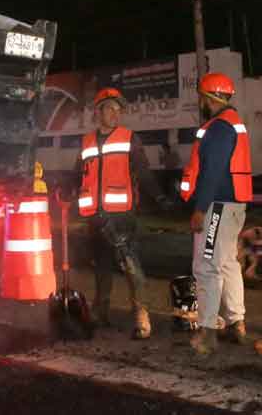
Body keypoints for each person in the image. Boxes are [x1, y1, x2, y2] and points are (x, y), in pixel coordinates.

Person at [71, 88, 171, 339]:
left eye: (119, 110)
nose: (115, 114)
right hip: (95, 215)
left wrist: (159, 196)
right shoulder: (86, 141)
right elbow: (78, 174)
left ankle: (142, 317)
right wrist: (65, 193)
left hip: (121, 215)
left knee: (131, 266)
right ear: (99, 111)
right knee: (101, 267)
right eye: (110, 108)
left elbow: (144, 172)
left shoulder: (129, 138)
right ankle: (100, 312)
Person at [179, 73, 252, 355]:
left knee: (207, 266)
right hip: (232, 206)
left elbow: (211, 173)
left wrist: (200, 209)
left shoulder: (219, 128)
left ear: (209, 98)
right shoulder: (233, 123)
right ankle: (237, 323)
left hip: (217, 207)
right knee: (227, 265)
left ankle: (207, 334)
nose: (201, 102)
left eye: (202, 97)